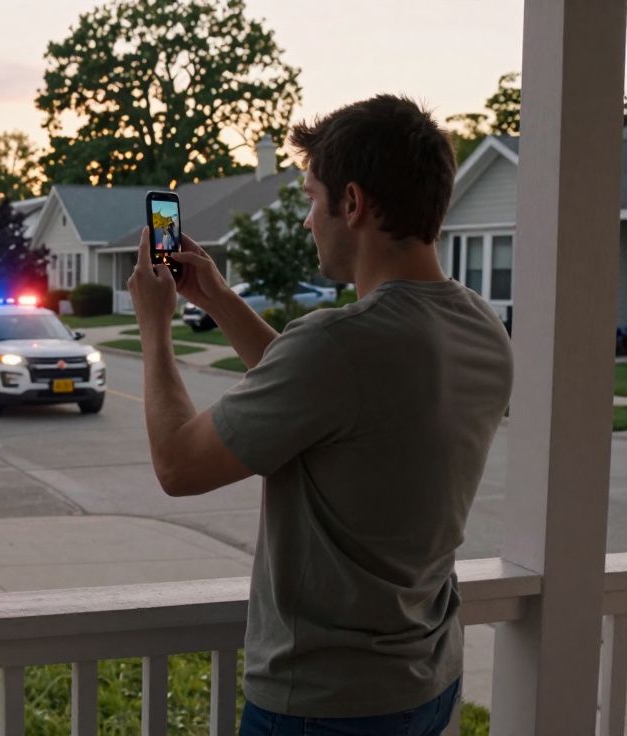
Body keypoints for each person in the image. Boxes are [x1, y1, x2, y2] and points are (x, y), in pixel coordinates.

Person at [126, 95, 512, 736]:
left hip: (326, 704)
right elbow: (325, 399)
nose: (307, 221)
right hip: (428, 680)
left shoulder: (340, 343)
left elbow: (178, 465)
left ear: (353, 204)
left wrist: (156, 329)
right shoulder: (480, 326)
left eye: (311, 198)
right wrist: (218, 298)